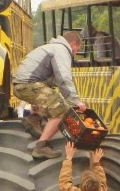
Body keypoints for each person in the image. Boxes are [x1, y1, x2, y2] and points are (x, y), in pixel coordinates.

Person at [12, 31, 87, 159]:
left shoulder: (51, 47)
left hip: (22, 84)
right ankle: (40, 147)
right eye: (76, 50)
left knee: (55, 103)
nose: (75, 53)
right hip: (28, 85)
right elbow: (63, 78)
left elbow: (53, 80)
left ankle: (33, 119)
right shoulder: (61, 49)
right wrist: (76, 101)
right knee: (62, 111)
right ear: (73, 44)